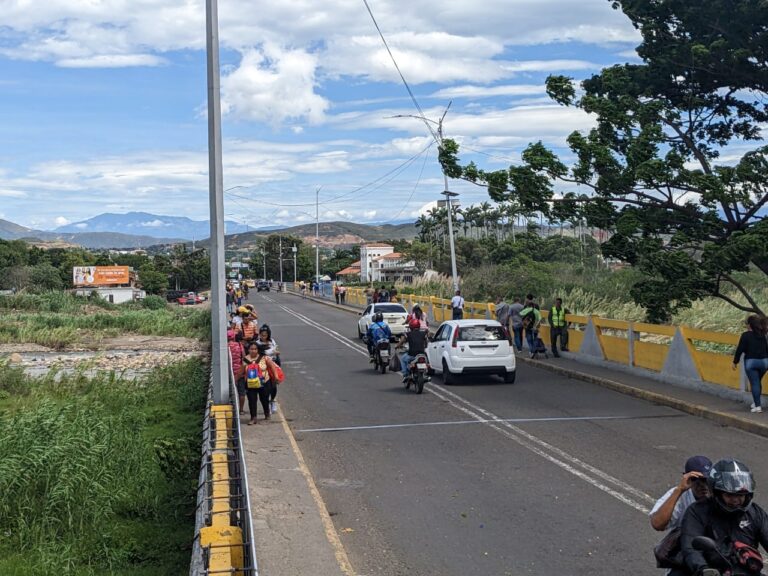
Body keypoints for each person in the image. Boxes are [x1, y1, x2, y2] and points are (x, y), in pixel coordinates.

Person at [679, 459, 768, 576]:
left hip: (747, 571)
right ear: (717, 492)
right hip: (709, 571)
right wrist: (703, 568)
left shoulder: (755, 513)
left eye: (740, 495)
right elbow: (690, 547)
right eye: (729, 495)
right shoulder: (697, 511)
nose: (736, 500)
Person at [650, 456, 712, 532]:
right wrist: (679, 490)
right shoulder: (678, 494)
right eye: (696, 479)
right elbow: (657, 524)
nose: (703, 485)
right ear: (687, 478)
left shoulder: (718, 492)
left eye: (706, 480)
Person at [732, 314, 768, 413]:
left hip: (751, 362)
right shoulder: (763, 334)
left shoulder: (745, 335)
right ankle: (756, 403)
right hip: (764, 362)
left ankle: (758, 407)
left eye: (747, 324)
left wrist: (735, 362)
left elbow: (740, 349)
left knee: (755, 383)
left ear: (750, 325)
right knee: (757, 382)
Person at [242, 341, 278, 424]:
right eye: (251, 349)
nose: (253, 351)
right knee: (252, 400)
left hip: (264, 382)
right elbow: (241, 371)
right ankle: (253, 418)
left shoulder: (264, 358)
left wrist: (276, 377)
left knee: (264, 399)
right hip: (251, 383)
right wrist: (236, 380)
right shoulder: (245, 359)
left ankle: (267, 414)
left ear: (258, 350)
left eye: (255, 349)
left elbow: (272, 366)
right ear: (248, 350)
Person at [257, 324, 281, 414]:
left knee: (274, 385)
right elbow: (260, 354)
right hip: (263, 367)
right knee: (265, 387)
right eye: (262, 335)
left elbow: (276, 351)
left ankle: (272, 401)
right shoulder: (257, 343)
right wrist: (271, 352)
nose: (263, 337)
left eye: (265, 335)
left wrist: (274, 352)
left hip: (273, 365)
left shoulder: (272, 341)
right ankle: (266, 405)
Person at [398, 318, 429, 383]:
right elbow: (426, 343)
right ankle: (425, 373)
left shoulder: (408, 334)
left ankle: (405, 374)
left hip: (412, 355)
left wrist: (397, 346)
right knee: (427, 362)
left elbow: (402, 341)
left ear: (411, 326)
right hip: (422, 354)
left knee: (403, 359)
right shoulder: (423, 333)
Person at [227, 329, 246, 414]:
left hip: (229, 373)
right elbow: (244, 357)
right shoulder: (239, 345)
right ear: (234, 337)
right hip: (240, 372)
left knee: (230, 392)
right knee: (241, 392)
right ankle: (241, 410)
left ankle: (232, 410)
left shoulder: (225, 346)